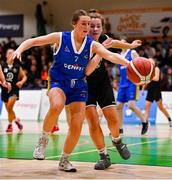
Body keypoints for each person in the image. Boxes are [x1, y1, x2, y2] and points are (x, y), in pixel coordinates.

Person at [12, 9, 130, 172]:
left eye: (89, 24)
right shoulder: (61, 37)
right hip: (59, 82)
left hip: (79, 86)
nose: (87, 27)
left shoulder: (92, 44)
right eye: (84, 23)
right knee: (56, 106)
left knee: (77, 124)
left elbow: (111, 55)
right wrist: (19, 49)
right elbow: (34, 41)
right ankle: (43, 140)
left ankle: (64, 160)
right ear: (74, 24)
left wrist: (129, 64)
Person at [84, 10, 142, 170]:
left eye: (98, 26)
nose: (95, 29)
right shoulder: (81, 42)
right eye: (92, 26)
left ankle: (117, 141)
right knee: (93, 123)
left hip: (102, 83)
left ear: (102, 28)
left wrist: (130, 46)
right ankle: (103, 156)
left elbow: (115, 43)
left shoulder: (102, 39)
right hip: (84, 85)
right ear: (86, 27)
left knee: (113, 119)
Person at [116, 39, 147, 135]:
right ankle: (120, 128)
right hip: (122, 84)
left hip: (132, 83)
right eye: (121, 42)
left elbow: (141, 64)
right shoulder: (119, 55)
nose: (123, 44)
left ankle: (144, 122)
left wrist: (142, 80)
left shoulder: (132, 52)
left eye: (124, 42)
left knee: (131, 105)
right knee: (118, 106)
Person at [142, 60, 172, 133]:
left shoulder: (156, 69)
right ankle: (145, 124)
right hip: (150, 90)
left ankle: (169, 120)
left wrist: (148, 77)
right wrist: (143, 89)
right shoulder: (147, 71)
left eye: (151, 61)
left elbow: (156, 78)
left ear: (154, 62)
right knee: (146, 106)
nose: (149, 62)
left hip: (156, 90)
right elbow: (145, 81)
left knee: (161, 107)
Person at [1, 48, 27, 133]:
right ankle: (16, 120)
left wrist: (21, 82)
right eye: (9, 53)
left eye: (12, 53)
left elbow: (25, 77)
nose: (11, 54)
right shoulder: (2, 66)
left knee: (9, 107)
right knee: (9, 110)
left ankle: (10, 125)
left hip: (14, 90)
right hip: (4, 89)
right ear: (6, 55)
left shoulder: (17, 66)